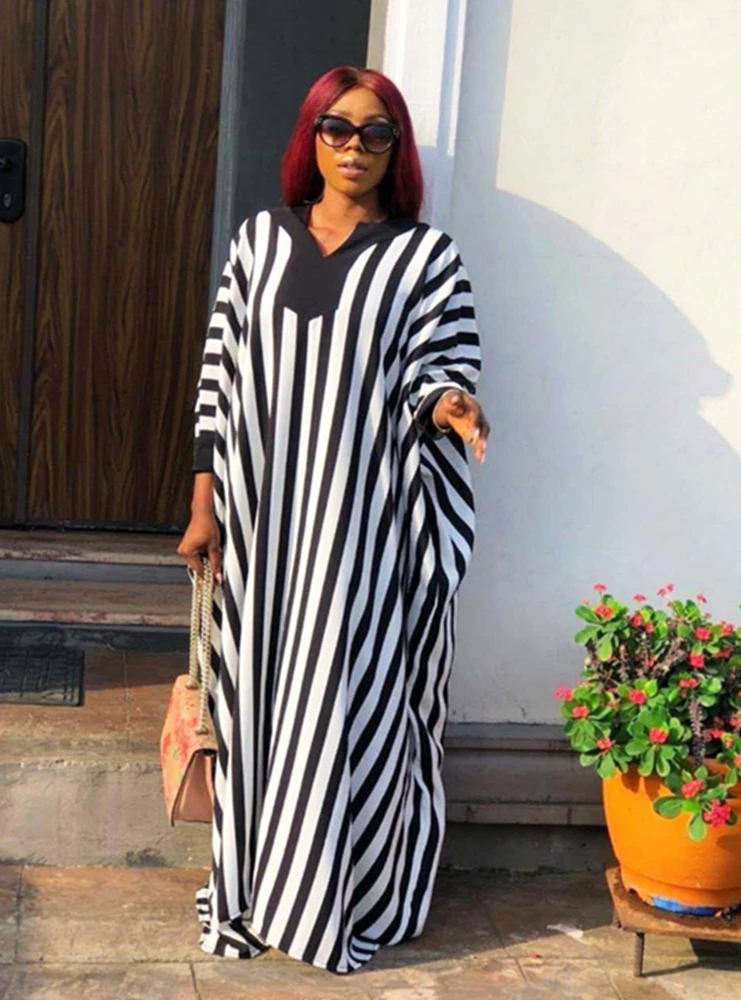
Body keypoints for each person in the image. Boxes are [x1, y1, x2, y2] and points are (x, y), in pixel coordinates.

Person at [177, 64, 490, 974]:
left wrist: (449, 405)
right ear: (311, 137)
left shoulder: (425, 259)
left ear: (398, 150)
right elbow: (219, 378)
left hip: (361, 539)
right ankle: (253, 889)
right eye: (338, 128)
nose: (355, 147)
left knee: (344, 707)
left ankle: (332, 899)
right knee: (257, 705)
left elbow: (442, 363)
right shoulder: (257, 241)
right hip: (261, 532)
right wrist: (203, 506)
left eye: (376, 132)